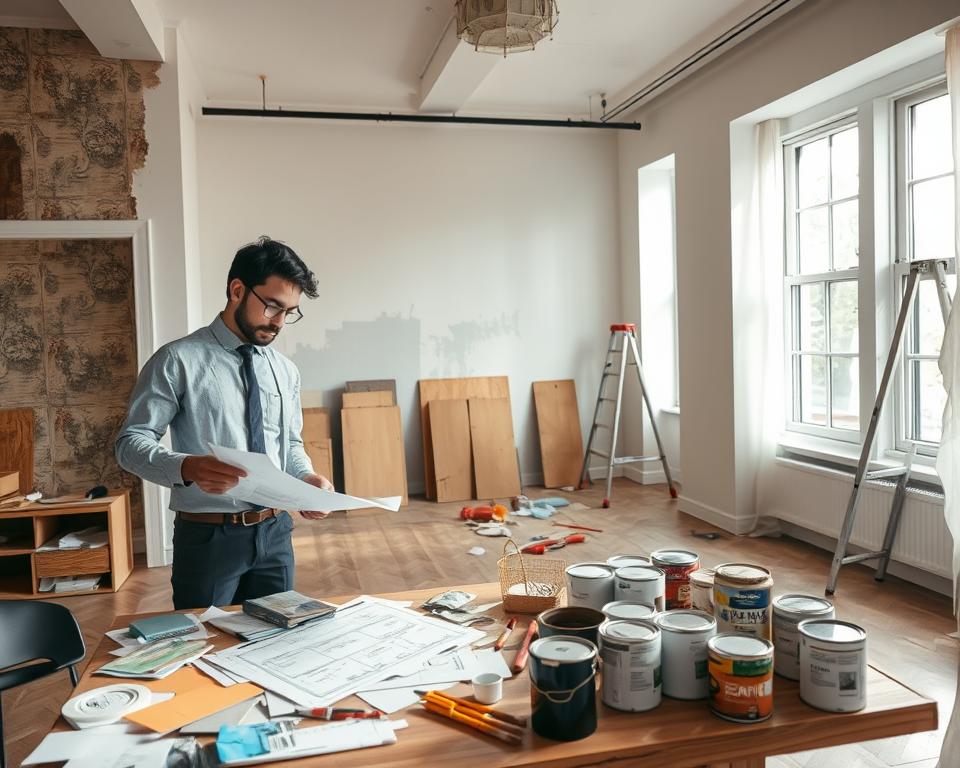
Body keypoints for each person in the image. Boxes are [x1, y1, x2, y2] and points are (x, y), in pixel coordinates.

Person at [116, 236, 332, 609]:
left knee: (277, 644)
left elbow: (290, 444)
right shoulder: (177, 360)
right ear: (237, 289)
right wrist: (187, 466)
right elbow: (130, 443)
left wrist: (306, 478)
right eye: (271, 307)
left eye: (289, 312)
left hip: (276, 532)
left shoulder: (285, 371)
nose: (279, 322)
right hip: (208, 537)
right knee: (204, 650)